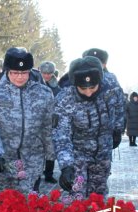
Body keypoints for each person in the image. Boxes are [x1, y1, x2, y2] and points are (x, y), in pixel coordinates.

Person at [0, 47, 55, 194]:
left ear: (30, 72)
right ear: (7, 71)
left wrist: (52, 156)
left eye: (24, 73)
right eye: (15, 73)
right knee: (4, 206)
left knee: (29, 206)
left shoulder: (43, 94)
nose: (20, 77)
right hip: (3, 162)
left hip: (32, 162)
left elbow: (49, 127)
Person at [53, 56, 124, 197]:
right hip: (77, 153)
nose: (88, 92)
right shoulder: (65, 99)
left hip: (103, 152)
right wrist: (66, 166)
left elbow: (119, 108)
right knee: (77, 195)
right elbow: (61, 135)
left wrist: (118, 129)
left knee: (98, 195)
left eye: (92, 87)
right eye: (83, 88)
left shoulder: (111, 91)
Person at [39, 61, 61, 184]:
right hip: (36, 122)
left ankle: (48, 173)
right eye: (44, 73)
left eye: (49, 73)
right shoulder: (33, 85)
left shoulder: (57, 88)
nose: (46, 75)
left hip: (51, 123)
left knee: (50, 150)